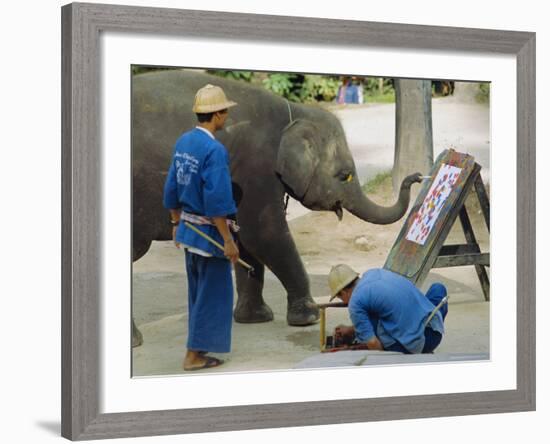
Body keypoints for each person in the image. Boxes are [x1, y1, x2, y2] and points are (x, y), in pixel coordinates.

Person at [163, 84, 239, 371]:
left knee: (197, 293)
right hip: (209, 237)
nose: (226, 117)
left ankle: (197, 349)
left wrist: (174, 222)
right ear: (217, 115)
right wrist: (228, 241)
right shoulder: (214, 150)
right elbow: (217, 200)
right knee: (214, 296)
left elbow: (171, 187)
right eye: (225, 112)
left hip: (187, 231)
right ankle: (193, 355)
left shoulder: (184, 142)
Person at [328, 265, 448, 354]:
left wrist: (360, 333)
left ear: (343, 292)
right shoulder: (373, 273)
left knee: (370, 319)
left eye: (340, 298)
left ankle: (416, 348)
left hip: (420, 344)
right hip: (434, 328)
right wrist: (352, 329)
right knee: (438, 288)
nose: (344, 302)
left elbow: (373, 343)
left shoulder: (355, 303)